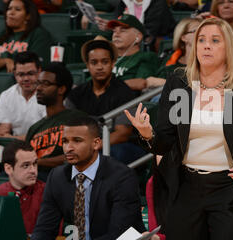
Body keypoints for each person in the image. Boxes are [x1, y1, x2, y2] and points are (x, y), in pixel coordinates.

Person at [125, 17, 233, 240]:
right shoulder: (178, 82)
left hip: (229, 188)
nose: (206, 46)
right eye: (201, 40)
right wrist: (147, 134)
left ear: (228, 47)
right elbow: (164, 141)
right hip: (185, 187)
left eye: (215, 41)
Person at [27, 116, 145, 240]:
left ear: (96, 143)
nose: (68, 148)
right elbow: (44, 227)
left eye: (77, 141)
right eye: (65, 141)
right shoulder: (56, 176)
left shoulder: (122, 177)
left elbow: (118, 235)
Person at [65, 36, 146, 165]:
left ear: (113, 63)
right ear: (87, 65)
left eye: (105, 62)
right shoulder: (76, 94)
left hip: (122, 146)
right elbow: (68, 128)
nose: (99, 67)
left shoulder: (124, 93)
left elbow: (122, 134)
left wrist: (91, 147)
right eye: (94, 62)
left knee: (113, 154)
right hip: (87, 145)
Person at [25, 62, 87, 182]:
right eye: (38, 83)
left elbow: (79, 155)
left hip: (66, 178)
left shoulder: (76, 118)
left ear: (61, 89)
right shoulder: (34, 128)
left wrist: (40, 162)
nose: (38, 88)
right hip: (35, 178)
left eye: (45, 84)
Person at [0, 140, 45, 236]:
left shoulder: (47, 192)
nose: (33, 170)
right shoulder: (0, 193)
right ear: (8, 169)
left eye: (35, 163)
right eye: (26, 165)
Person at [107, 14, 163, 92]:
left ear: (138, 37)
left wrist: (106, 87)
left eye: (123, 30)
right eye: (114, 31)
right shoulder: (107, 58)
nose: (116, 34)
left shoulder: (147, 57)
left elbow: (141, 83)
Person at [0, 51, 46, 139]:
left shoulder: (48, 94)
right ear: (14, 74)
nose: (26, 79)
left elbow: (47, 135)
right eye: (21, 75)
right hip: (14, 146)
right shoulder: (6, 96)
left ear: (39, 71)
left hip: (42, 145)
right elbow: (3, 132)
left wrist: (14, 138)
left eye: (30, 74)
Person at [0, 0, 53, 72]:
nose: (11, 13)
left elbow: (36, 65)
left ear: (28, 16)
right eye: (9, 9)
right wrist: (6, 61)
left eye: (17, 9)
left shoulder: (38, 34)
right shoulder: (3, 35)